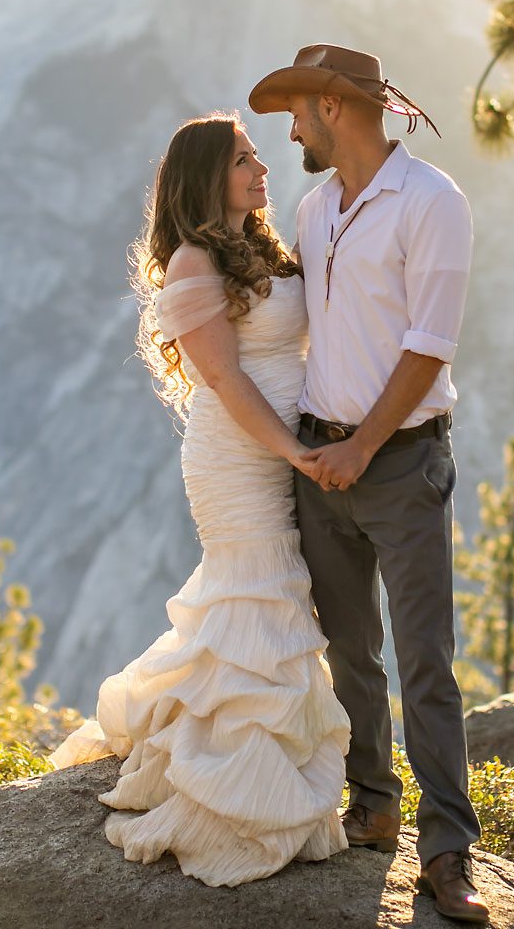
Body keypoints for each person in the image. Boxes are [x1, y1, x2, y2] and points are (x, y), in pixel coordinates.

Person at [47, 113, 351, 888]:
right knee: (260, 595)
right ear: (204, 176)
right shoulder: (192, 262)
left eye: (257, 156)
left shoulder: (260, 249)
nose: (262, 169)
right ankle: (235, 795)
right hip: (239, 456)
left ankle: (271, 781)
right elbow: (223, 377)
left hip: (290, 445)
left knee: (272, 602)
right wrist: (293, 452)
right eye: (243, 159)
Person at [247, 44, 490, 924]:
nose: (292, 131)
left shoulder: (432, 202)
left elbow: (430, 344)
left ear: (333, 108)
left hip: (399, 462)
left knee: (426, 662)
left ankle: (449, 852)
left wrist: (363, 447)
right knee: (349, 652)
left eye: (297, 114)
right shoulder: (315, 208)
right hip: (317, 458)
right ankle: (374, 804)